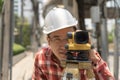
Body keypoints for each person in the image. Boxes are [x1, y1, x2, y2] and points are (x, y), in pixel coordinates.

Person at [32, 7, 115, 80]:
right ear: (48, 40)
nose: (65, 45)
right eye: (57, 39)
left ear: (75, 35)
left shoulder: (87, 55)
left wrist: (93, 57)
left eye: (69, 37)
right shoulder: (41, 58)